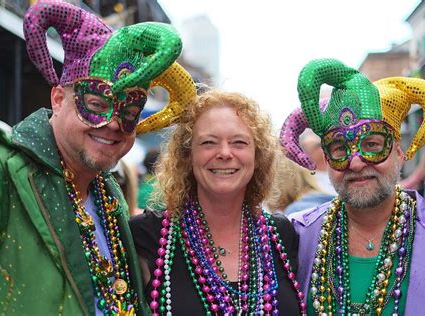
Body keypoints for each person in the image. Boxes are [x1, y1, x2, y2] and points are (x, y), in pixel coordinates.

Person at [0, 0, 196, 315]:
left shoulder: (108, 193)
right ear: (58, 99)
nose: (112, 124)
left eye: (129, 112)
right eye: (96, 105)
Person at [282, 58, 425, 314]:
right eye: (340, 149)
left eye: (372, 145)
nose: (355, 163)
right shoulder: (296, 236)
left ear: (398, 153)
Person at [129, 90, 307, 314]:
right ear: (188, 155)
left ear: (257, 156)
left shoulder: (280, 234)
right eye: (209, 143)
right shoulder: (148, 235)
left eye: (239, 142)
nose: (224, 153)